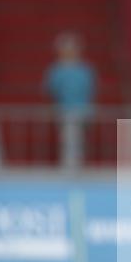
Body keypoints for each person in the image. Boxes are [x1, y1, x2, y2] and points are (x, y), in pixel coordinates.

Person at [43, 32, 95, 171]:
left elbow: (89, 88)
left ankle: (76, 165)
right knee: (69, 139)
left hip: (82, 110)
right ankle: (70, 166)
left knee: (77, 140)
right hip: (65, 110)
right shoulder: (57, 70)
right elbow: (51, 88)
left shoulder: (84, 70)